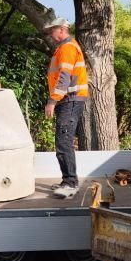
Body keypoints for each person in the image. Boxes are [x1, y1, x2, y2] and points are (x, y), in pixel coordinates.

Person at [43, 18, 89, 198]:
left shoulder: (67, 48)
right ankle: (67, 181)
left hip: (70, 99)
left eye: (52, 31)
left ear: (61, 30)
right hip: (69, 99)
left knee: (64, 141)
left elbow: (64, 77)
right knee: (63, 140)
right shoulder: (65, 47)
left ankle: (70, 184)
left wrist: (52, 101)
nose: (50, 34)